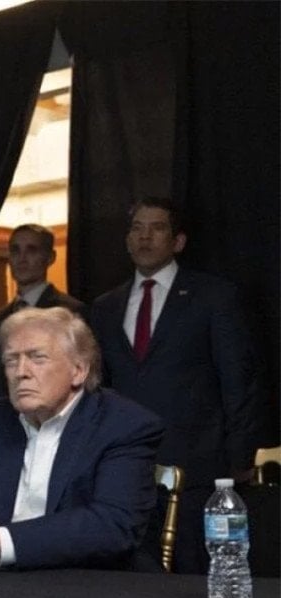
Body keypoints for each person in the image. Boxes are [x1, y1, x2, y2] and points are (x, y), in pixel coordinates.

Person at [0, 307, 164, 569]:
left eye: (37, 358)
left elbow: (112, 525)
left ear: (79, 370)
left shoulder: (124, 425)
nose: (21, 372)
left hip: (91, 579)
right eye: (11, 360)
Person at [89, 197, 260, 574]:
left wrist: (240, 457)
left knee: (195, 574)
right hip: (127, 468)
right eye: (137, 229)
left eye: (157, 228)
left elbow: (238, 379)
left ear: (178, 241)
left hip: (199, 467)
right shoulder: (105, 306)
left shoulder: (214, 296)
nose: (144, 237)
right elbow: (101, 386)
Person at [0, 224, 84, 404]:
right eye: (15, 250)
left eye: (32, 250)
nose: (22, 259)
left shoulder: (73, 312)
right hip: (4, 419)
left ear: (50, 258)